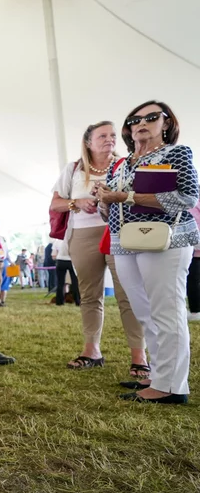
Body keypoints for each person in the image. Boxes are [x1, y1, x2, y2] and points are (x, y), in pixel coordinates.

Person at [97, 100, 197, 404]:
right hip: (124, 241)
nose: (141, 123)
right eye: (133, 120)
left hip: (166, 240)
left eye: (151, 117)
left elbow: (188, 197)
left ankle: (173, 386)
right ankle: (158, 375)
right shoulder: (121, 162)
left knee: (167, 310)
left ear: (166, 123)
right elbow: (111, 210)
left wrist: (124, 196)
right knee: (144, 312)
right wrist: (103, 200)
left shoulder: (177, 153)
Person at [50, 121, 146, 373]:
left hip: (118, 233)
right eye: (102, 135)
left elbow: (140, 198)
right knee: (90, 295)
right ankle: (91, 351)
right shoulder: (73, 169)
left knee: (128, 294)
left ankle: (140, 356)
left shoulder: (127, 165)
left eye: (113, 135)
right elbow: (55, 203)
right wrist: (77, 202)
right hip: (82, 235)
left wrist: (110, 197)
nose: (109, 139)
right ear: (88, 142)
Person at [53, 232, 80, 306]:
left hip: (60, 261)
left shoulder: (57, 241)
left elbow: (53, 254)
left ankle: (59, 301)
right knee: (75, 282)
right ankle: (78, 301)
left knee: (60, 283)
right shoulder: (74, 239)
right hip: (72, 261)